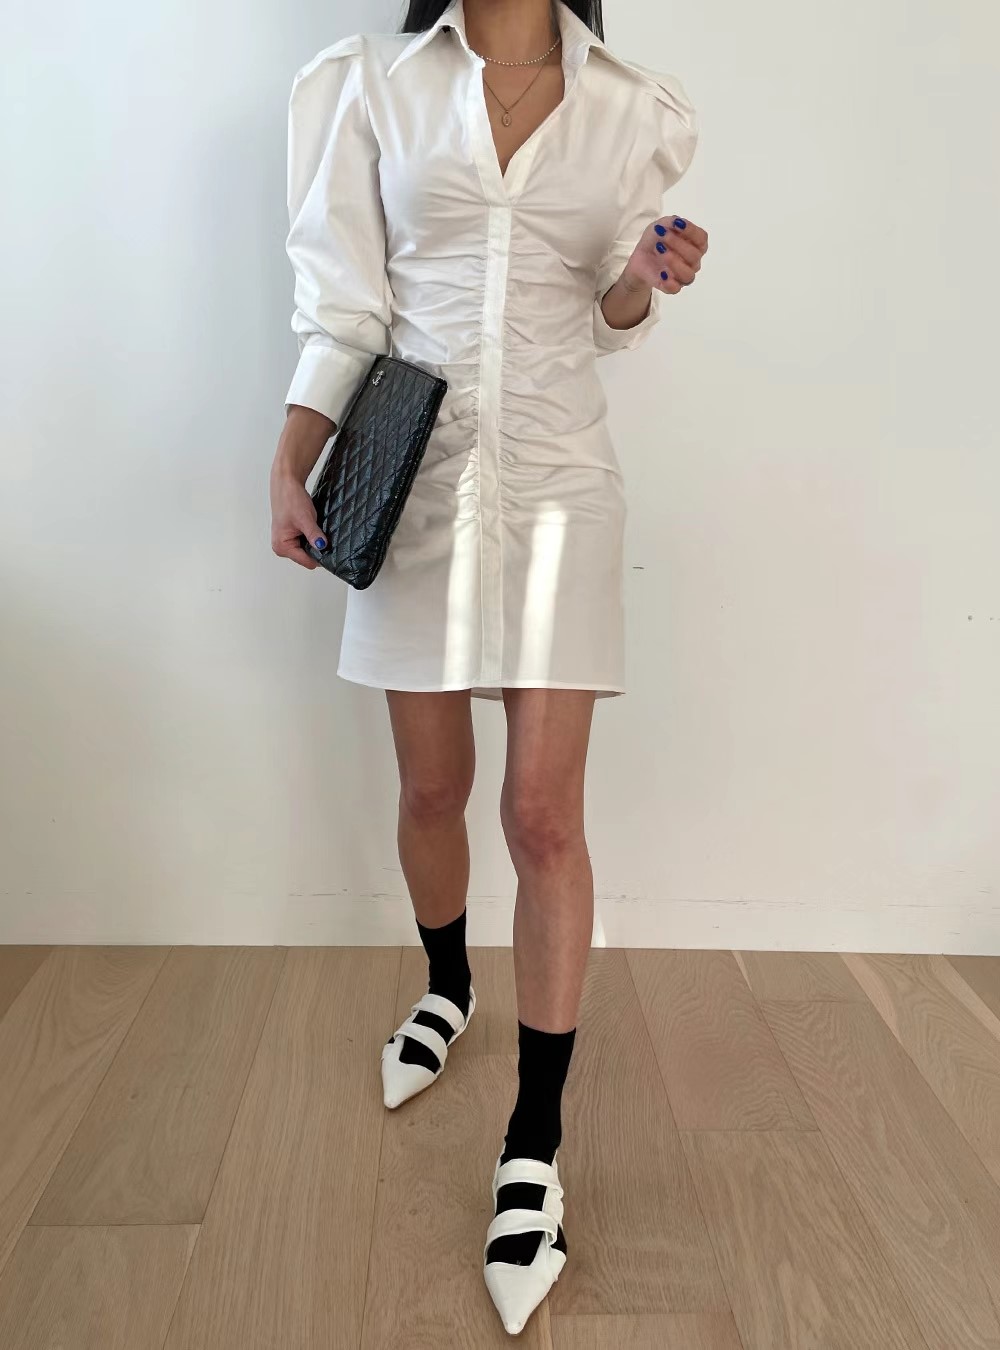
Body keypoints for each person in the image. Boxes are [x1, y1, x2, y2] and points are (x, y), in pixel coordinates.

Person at [269, 0, 707, 1333]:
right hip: (414, 483)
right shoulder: (369, 83)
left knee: (543, 816)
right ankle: (448, 982)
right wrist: (289, 460)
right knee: (431, 790)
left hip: (562, 487)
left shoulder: (632, 104)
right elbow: (347, 304)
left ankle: (535, 1142)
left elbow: (612, 309)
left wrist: (646, 272)